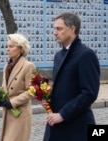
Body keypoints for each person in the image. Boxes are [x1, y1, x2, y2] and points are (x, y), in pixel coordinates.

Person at [43, 12, 100, 141]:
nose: (54, 32)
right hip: (55, 125)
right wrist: (47, 96)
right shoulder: (58, 55)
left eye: (59, 28)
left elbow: (89, 93)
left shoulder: (86, 55)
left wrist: (63, 114)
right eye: (54, 28)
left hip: (77, 127)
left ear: (72, 29)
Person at [0, 34, 36, 141]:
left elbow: (32, 91)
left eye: (11, 46)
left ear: (20, 49)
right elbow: (4, 86)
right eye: (7, 46)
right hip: (8, 112)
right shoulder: (7, 66)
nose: (7, 49)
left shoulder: (28, 66)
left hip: (20, 113)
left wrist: (13, 102)